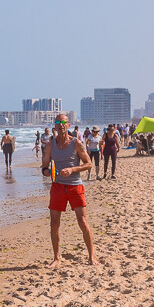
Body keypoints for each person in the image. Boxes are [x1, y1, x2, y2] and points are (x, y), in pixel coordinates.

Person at [42, 114, 98, 267]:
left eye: (63, 122)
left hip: (75, 185)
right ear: (55, 126)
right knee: (54, 223)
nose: (61, 125)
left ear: (68, 125)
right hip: (57, 186)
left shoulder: (76, 143)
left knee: (83, 222)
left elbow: (88, 164)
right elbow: (44, 168)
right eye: (58, 122)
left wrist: (72, 169)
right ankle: (56, 258)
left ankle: (91, 256)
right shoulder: (50, 145)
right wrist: (49, 172)